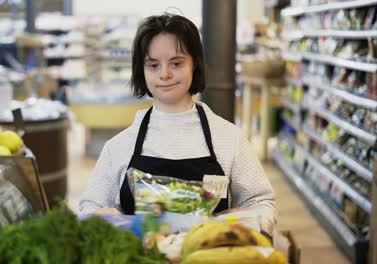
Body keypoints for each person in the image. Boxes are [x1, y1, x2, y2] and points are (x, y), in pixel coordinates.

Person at [79, 13, 277, 233]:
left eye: (176, 63)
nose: (165, 74)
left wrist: (249, 217)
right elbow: (91, 206)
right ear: (141, 71)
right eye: (153, 65)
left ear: (195, 65)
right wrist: (102, 217)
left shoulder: (230, 139)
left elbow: (261, 202)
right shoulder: (119, 146)